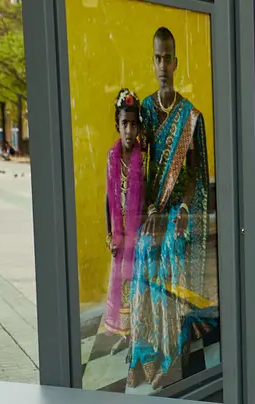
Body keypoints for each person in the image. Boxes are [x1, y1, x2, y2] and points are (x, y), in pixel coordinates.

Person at [127, 27, 214, 389]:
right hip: (154, 213)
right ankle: (144, 349)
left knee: (172, 256)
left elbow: (194, 172)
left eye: (168, 58)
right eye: (157, 58)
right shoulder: (144, 110)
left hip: (177, 213)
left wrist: (179, 210)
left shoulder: (189, 115)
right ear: (153, 62)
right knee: (146, 253)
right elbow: (138, 164)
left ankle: (173, 351)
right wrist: (146, 207)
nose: (163, 64)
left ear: (176, 62)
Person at [104, 89, 145, 353]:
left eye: (133, 124)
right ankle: (124, 333)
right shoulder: (112, 158)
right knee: (121, 287)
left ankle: (137, 339)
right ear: (117, 126)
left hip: (140, 238)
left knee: (137, 289)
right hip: (120, 238)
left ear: (139, 127)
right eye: (124, 124)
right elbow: (108, 200)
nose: (128, 130)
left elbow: (149, 198)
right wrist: (111, 235)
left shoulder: (145, 158)